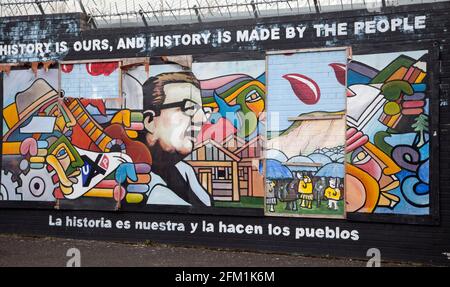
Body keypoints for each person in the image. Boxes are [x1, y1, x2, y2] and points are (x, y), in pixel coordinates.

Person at [142, 72, 212, 207]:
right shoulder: (139, 180)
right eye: (190, 108)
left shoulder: (185, 171)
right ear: (150, 121)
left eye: (203, 111)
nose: (202, 119)